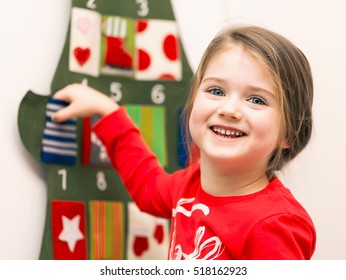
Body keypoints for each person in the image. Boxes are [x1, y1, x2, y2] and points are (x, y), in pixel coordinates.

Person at [52, 25, 316, 260]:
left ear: (289, 133)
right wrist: (108, 112)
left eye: (256, 100)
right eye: (216, 91)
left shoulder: (274, 224)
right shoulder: (189, 185)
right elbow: (148, 188)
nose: (229, 109)